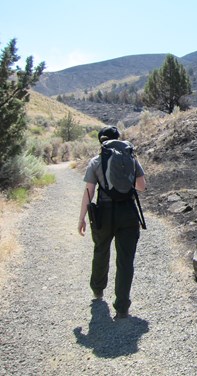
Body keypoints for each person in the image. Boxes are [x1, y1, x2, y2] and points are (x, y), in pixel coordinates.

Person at [78, 125, 146, 319]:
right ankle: (122, 307)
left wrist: (81, 217)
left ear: (101, 141)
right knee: (125, 260)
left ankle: (98, 290)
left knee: (101, 250)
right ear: (119, 139)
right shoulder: (131, 158)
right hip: (128, 213)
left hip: (104, 214)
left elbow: (89, 192)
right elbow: (142, 186)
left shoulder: (96, 161)